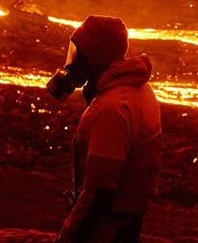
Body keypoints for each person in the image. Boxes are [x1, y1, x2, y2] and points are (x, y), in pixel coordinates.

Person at [47, 15, 162, 243]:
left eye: (79, 54)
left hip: (106, 230)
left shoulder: (112, 109)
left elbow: (99, 193)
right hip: (125, 223)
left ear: (95, 58)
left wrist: (69, 237)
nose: (73, 61)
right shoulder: (139, 89)